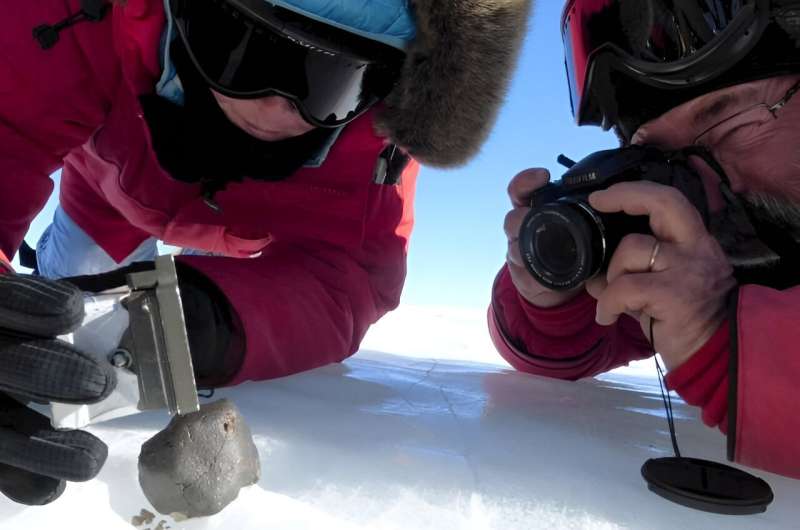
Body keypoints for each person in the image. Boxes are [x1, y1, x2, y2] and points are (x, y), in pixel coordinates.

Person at [0, 0, 533, 505]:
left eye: (330, 82)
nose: (276, 104)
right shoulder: (75, 12)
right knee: (57, 302)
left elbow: (350, 277)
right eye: (240, 49)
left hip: (241, 239)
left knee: (96, 332)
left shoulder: (377, 139)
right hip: (105, 200)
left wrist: (204, 322)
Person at [490, 0, 800, 479]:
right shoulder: (716, 255)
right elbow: (556, 350)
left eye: (738, 126)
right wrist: (555, 298)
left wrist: (726, 351)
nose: (703, 190)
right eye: (665, 162)